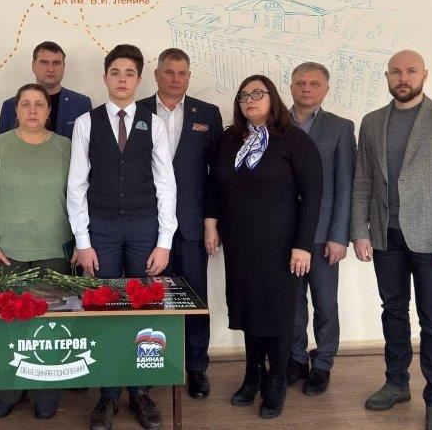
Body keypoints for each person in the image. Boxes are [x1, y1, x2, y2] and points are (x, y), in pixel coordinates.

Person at [351, 50, 432, 430]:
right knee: (392, 311)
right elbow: (362, 182)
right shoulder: (372, 122)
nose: (403, 78)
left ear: (424, 75)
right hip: (385, 237)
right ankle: (396, 383)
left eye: (410, 71)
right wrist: (360, 231)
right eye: (396, 72)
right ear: (387, 76)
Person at [68, 44, 177, 430]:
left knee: (144, 307)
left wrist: (164, 241)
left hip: (144, 227)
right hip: (102, 230)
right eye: (115, 72)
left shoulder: (154, 123)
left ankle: (140, 391)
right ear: (105, 77)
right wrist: (83, 241)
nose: (122, 79)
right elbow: (76, 184)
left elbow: (165, 182)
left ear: (139, 79)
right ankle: (108, 395)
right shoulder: (86, 123)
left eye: (129, 73)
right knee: (106, 309)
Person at [204, 74, 322, 419]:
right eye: (244, 95)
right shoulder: (227, 140)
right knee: (249, 309)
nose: (250, 100)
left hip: (281, 246)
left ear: (273, 98)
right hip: (240, 244)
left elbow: (313, 194)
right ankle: (253, 374)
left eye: (258, 93)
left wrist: (303, 245)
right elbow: (213, 185)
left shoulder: (293, 140)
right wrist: (211, 223)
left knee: (278, 313)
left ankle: (276, 380)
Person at [0, 83, 72, 420]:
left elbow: (78, 197)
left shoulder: (64, 147)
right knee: (9, 324)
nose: (32, 110)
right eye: (25, 104)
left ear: (49, 111)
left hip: (54, 250)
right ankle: (8, 390)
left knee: (48, 328)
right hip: (9, 253)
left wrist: (80, 243)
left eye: (39, 104)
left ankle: (46, 391)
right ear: (16, 110)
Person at [138, 48, 222, 399]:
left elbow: (217, 174)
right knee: (150, 296)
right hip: (147, 225)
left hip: (191, 224)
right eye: (169, 72)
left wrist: (212, 223)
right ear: (156, 75)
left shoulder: (208, 114)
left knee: (194, 298)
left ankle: (196, 367)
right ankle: (150, 363)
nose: (175, 78)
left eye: (182, 73)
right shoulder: (136, 111)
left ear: (189, 76)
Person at [286, 62, 356, 395]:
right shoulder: (274, 123)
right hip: (285, 233)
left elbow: (345, 185)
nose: (307, 88)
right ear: (291, 87)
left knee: (325, 304)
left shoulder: (340, 128)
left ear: (326, 90)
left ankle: (323, 363)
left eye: (314, 83)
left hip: (324, 234)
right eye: (300, 82)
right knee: (292, 304)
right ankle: (296, 359)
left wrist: (339, 236)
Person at [0, 41, 91, 139]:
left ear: (64, 67)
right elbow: (2, 145)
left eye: (56, 63)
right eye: (44, 62)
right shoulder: (10, 106)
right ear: (33, 66)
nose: (50, 69)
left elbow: (90, 144)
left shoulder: (82, 104)